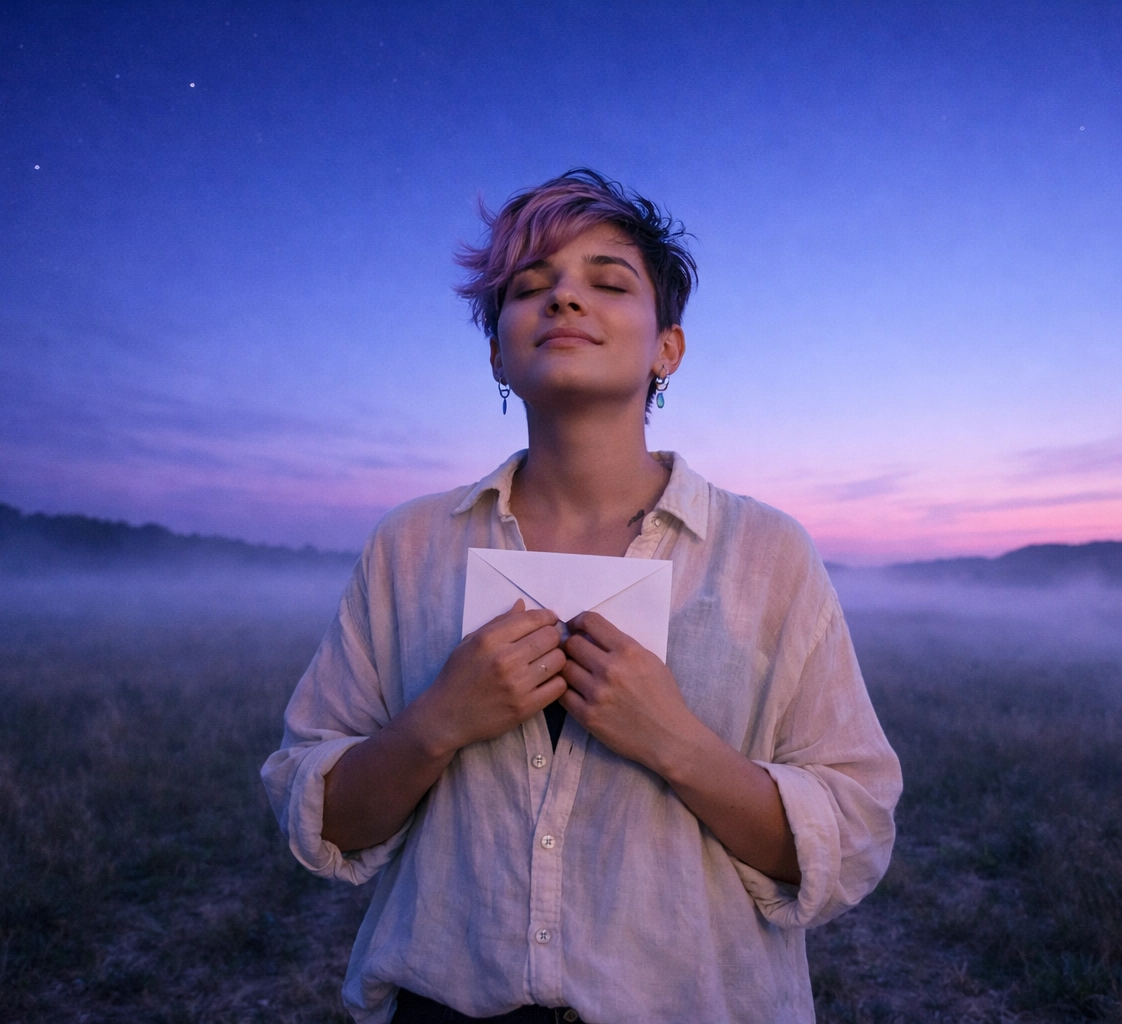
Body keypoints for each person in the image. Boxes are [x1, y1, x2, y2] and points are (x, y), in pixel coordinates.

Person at [262, 169, 902, 1024]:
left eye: (608, 282)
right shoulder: (410, 545)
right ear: (497, 351)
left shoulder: (765, 554)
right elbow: (328, 818)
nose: (565, 300)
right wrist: (439, 721)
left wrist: (675, 742)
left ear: (666, 348)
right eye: (531, 288)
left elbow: (849, 835)